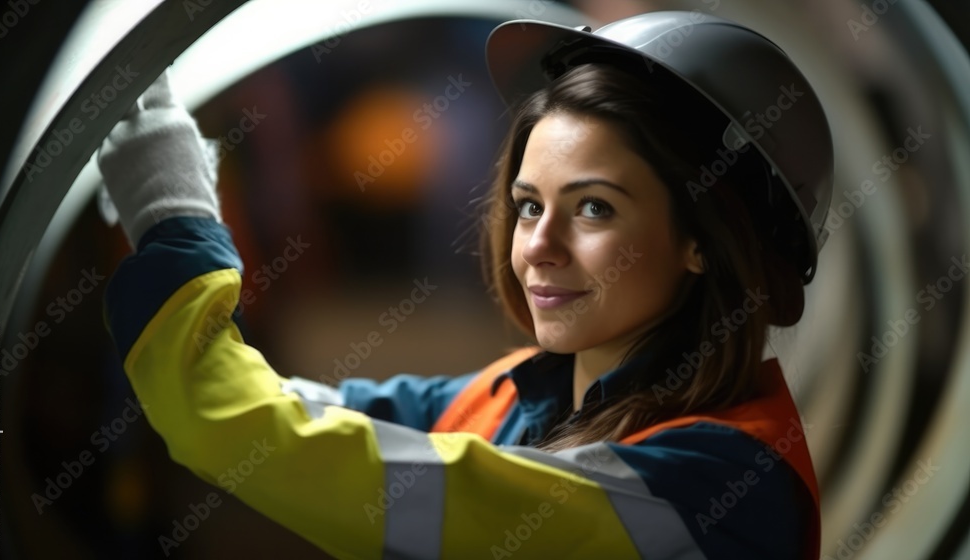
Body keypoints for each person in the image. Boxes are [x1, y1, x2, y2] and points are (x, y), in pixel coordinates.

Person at [98, 11, 832, 559]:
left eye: (595, 208)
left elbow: (244, 428)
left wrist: (173, 212)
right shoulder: (516, 395)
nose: (537, 246)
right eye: (529, 205)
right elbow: (298, 416)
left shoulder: (711, 490)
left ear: (703, 239)